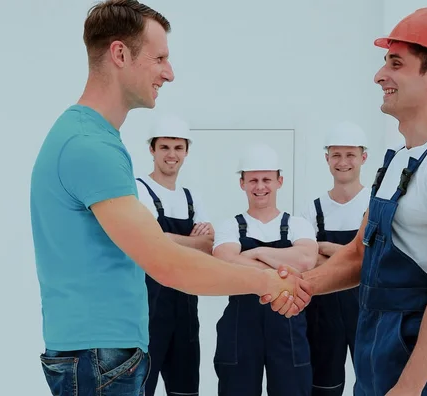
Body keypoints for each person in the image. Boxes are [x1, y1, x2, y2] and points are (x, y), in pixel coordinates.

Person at [29, 1, 309, 395]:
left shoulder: (92, 139)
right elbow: (167, 263)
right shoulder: (89, 145)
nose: (169, 73)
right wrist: (264, 280)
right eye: (159, 58)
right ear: (120, 54)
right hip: (98, 357)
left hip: (101, 353)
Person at [267, 7, 427, 396]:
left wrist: (408, 387)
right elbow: (359, 255)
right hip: (374, 342)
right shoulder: (399, 157)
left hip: (418, 357)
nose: (379, 76)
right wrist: (305, 286)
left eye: (396, 63)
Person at [212, 143, 319, 396]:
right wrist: (283, 265)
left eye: (267, 179)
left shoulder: (298, 224)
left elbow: (305, 260)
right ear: (242, 183)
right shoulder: (229, 226)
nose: (260, 187)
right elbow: (223, 262)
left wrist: (256, 253)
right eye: (253, 180)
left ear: (279, 181)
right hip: (240, 329)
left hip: (288, 328)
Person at [135, 113, 213, 395]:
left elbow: (209, 246)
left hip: (186, 309)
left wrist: (169, 239)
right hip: (148, 310)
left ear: (186, 151)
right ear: (152, 150)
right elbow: (152, 243)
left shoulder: (191, 197)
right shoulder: (139, 190)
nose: (172, 154)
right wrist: (190, 241)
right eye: (165, 147)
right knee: (142, 388)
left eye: (178, 148)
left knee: (186, 389)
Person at [299, 121, 371, 396]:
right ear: (327, 158)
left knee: (371, 382)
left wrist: (325, 247)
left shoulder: (374, 203)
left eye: (350, 154)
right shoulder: (313, 208)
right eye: (336, 155)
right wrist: (355, 254)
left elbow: (375, 259)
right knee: (323, 387)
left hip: (367, 308)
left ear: (363, 158)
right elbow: (306, 259)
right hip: (322, 309)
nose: (343, 162)